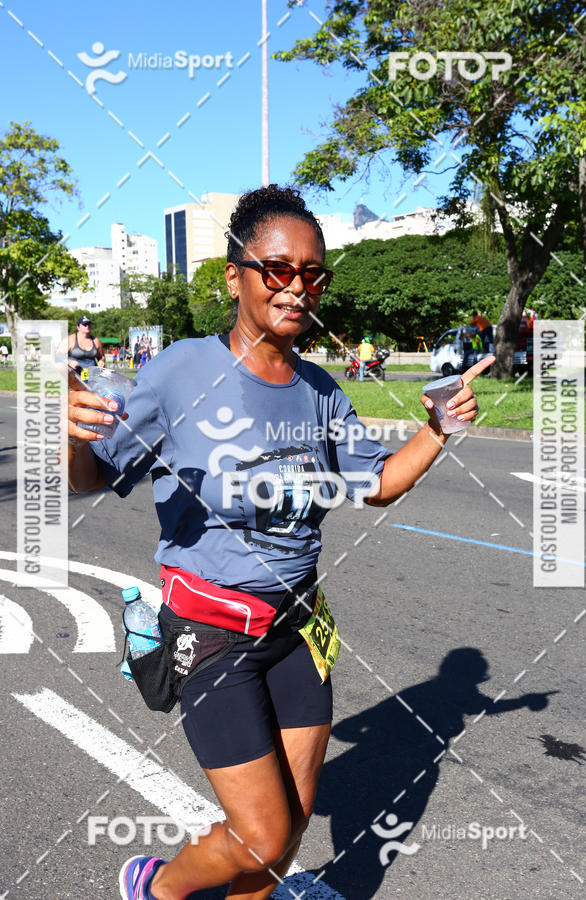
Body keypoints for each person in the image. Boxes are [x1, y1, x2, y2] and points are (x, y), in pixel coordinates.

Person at [66, 185, 491, 900]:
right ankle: (159, 888)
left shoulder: (322, 390)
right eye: (278, 269)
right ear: (236, 275)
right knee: (259, 834)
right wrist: (69, 437)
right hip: (213, 635)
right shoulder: (181, 370)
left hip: (299, 632)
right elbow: (92, 477)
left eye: (313, 274)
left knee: (283, 838)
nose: (298, 287)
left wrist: (440, 428)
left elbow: (378, 484)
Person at [63, 315, 104, 379]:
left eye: (89, 324)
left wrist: (101, 361)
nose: (87, 326)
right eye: (84, 325)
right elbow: (58, 355)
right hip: (75, 378)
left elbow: (101, 356)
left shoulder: (96, 341)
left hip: (92, 377)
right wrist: (69, 362)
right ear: (78, 327)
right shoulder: (70, 339)